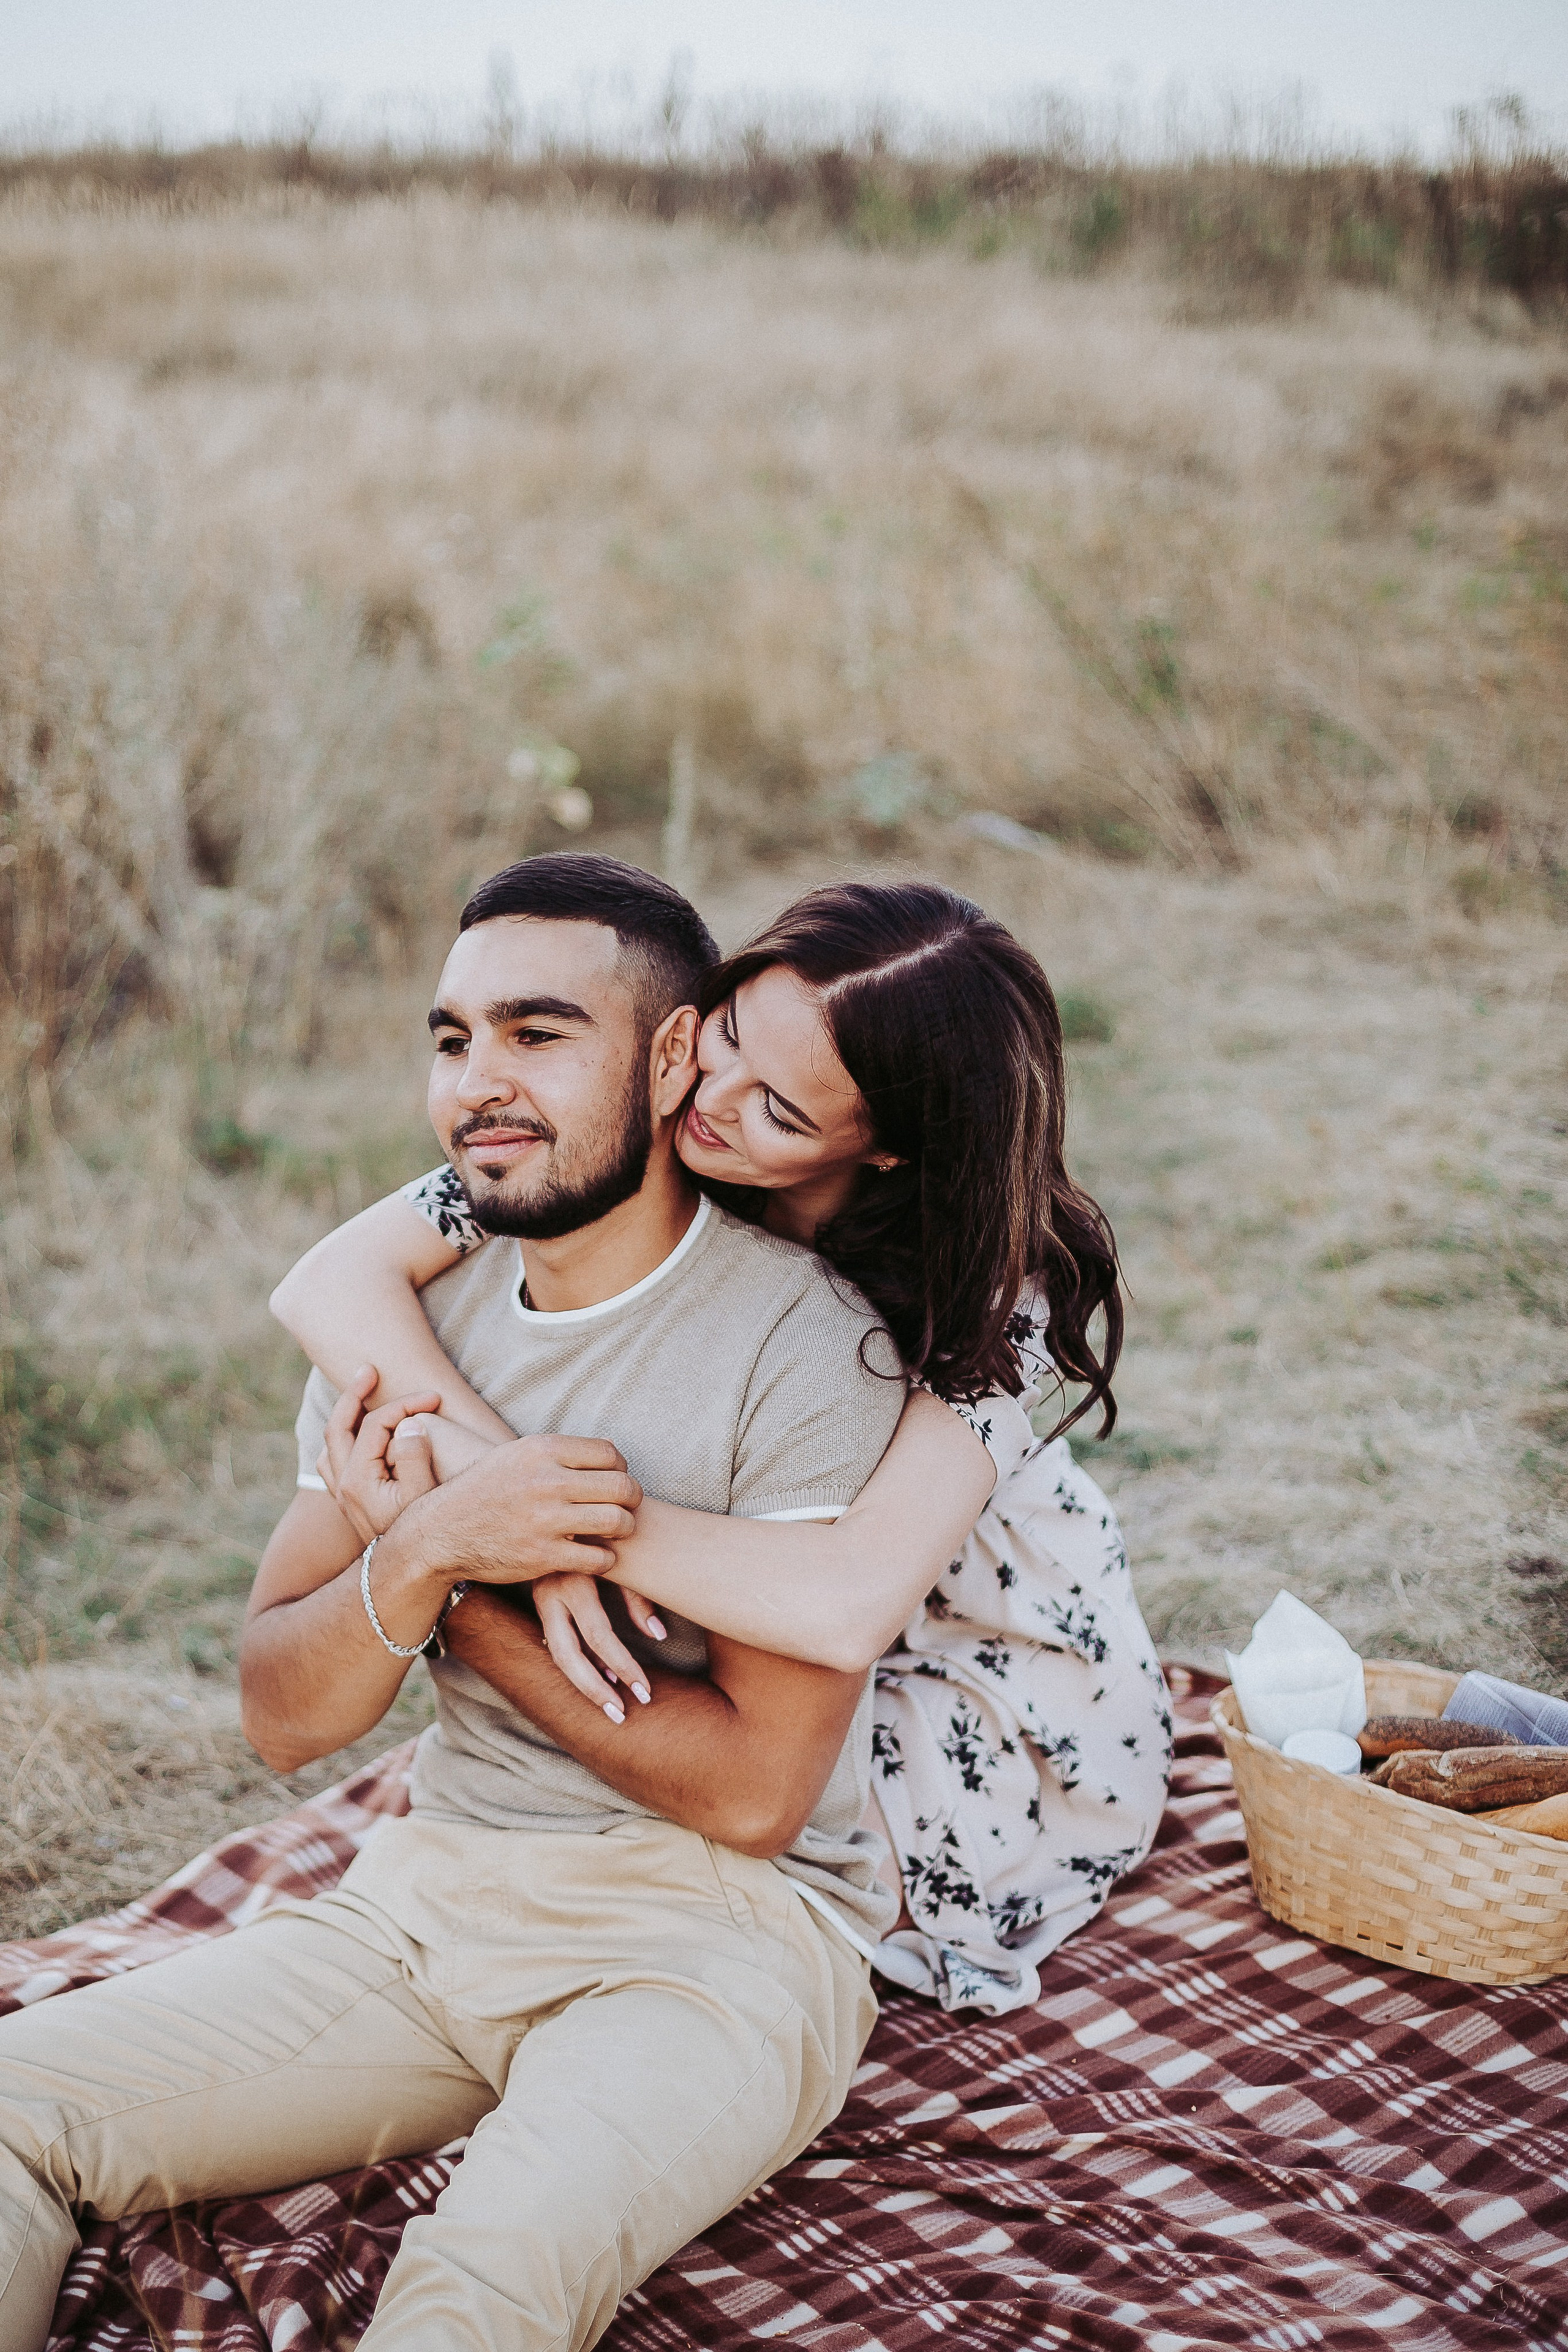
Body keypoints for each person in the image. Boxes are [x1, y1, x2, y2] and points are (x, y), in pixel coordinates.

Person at [0, 855, 1002, 2352]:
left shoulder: (812, 1350)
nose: (480, 1082)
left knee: (473, 2294)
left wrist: (463, 1592)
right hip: (430, 1901)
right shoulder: (406, 1325)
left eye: (538, 1034)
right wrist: (421, 1552)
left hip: (718, 1937)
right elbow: (284, 1717)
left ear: (675, 1058)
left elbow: (749, 1796)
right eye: (452, 1037)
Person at [276, 873, 1174, 2016]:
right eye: (729, 1041)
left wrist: (546, 1527)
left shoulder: (1005, 1298)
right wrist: (503, 1503)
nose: (712, 1104)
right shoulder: (658, 1128)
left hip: (962, 1664)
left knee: (751, 1862)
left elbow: (852, 1600)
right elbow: (331, 1280)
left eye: (782, 1114)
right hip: (736, 1621)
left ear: (890, 1147)